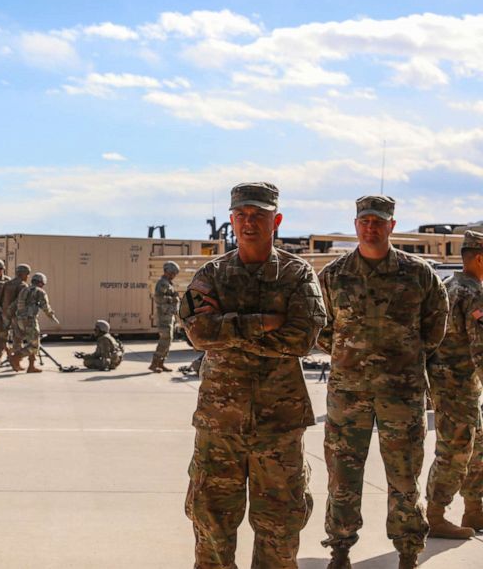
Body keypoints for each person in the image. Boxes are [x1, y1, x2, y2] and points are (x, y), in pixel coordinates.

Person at [180, 182, 326, 569]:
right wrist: (261, 324)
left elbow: (302, 337)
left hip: (279, 425)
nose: (249, 223)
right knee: (211, 522)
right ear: (231, 220)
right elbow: (198, 332)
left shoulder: (297, 274)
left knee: (280, 526)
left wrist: (228, 332)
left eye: (258, 215)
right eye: (242, 215)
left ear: (275, 220)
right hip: (219, 424)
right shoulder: (212, 274)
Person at [318, 195, 448, 569]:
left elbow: (435, 327)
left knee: (405, 476)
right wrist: (350, 356)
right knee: (343, 476)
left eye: (378, 221)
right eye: (364, 221)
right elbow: (321, 329)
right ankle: (340, 548)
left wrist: (403, 356)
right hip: (348, 395)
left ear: (392, 225)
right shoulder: (335, 274)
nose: (370, 227)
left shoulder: (418, 273)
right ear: (356, 224)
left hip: (402, 394)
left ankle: (408, 550)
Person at [425, 229, 483, 537]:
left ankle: (474, 511)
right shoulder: (474, 293)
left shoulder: (448, 286)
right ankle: (435, 515)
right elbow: (480, 346)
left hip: (451, 384)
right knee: (455, 450)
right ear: (478, 258)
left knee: (478, 446)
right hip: (457, 386)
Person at [15, 272, 60, 373]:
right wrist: (53, 318)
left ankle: (31, 366)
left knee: (32, 342)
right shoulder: (40, 292)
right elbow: (46, 307)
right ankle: (16, 357)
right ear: (41, 283)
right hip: (30, 320)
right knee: (35, 345)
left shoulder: (24, 290)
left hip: (20, 320)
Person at [149, 260, 181, 372]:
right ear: (167, 271)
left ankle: (161, 363)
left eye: (175, 274)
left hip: (169, 315)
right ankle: (154, 363)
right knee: (165, 339)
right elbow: (158, 298)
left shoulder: (168, 283)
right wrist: (173, 299)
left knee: (168, 340)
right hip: (164, 316)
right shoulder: (162, 283)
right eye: (172, 273)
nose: (173, 276)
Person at [0, 263, 32, 371]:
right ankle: (16, 362)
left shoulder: (7, 283)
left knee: (6, 338)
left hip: (6, 315)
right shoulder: (23, 285)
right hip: (17, 316)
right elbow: (21, 301)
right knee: (18, 339)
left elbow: (1, 299)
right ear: (23, 274)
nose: (28, 276)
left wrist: (4, 312)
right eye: (27, 274)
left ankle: (9, 356)